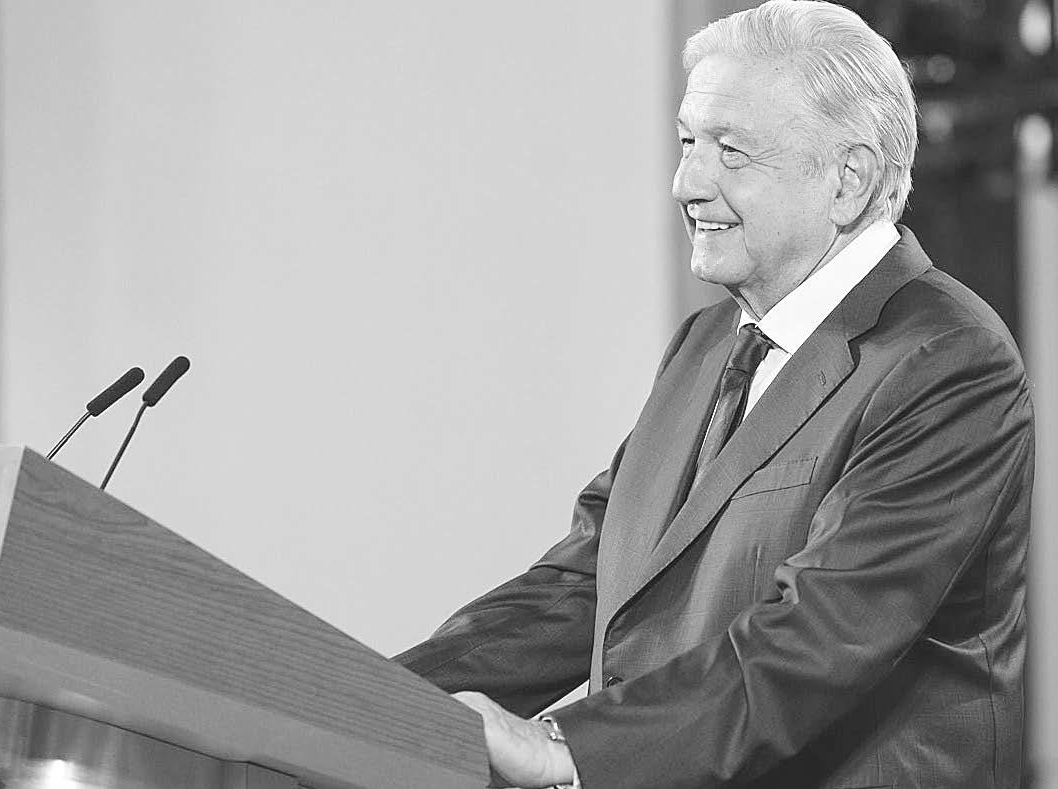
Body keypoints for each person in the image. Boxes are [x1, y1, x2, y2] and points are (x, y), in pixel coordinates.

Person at [394, 2, 1034, 787]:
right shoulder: (704, 344)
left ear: (848, 179)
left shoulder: (947, 360)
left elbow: (820, 637)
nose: (686, 183)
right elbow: (585, 586)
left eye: (730, 152)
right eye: (688, 143)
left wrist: (566, 746)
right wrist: (367, 696)